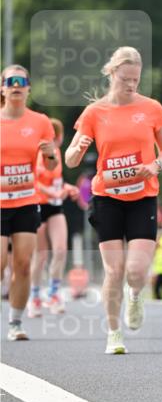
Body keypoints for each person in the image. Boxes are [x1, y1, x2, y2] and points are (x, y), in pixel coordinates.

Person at [65, 47, 162, 354]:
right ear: (112, 74)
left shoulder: (151, 108)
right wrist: (79, 148)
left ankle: (135, 295)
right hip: (107, 197)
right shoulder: (94, 112)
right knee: (114, 270)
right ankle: (114, 333)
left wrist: (155, 166)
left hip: (142, 197)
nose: (131, 85)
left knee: (136, 270)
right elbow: (70, 159)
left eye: (136, 80)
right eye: (125, 79)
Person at [1, 65, 57, 340]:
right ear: (2, 88)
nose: (15, 85)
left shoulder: (40, 122)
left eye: (21, 81)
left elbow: (53, 162)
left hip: (26, 200)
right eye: (10, 81)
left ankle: (15, 323)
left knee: (23, 264)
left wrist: (50, 154)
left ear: (28, 88)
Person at [28, 118, 79, 317]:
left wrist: (68, 188)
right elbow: (32, 179)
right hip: (38, 205)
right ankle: (34, 297)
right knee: (40, 256)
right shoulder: (34, 152)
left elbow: (57, 181)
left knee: (60, 250)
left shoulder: (55, 154)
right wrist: (51, 192)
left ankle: (54, 293)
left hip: (55, 207)